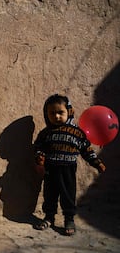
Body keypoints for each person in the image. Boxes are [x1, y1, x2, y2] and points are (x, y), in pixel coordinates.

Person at [33, 94, 106, 236]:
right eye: (52, 113)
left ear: (69, 112)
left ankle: (69, 219)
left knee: (68, 195)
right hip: (50, 170)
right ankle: (49, 217)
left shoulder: (77, 133)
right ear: (46, 114)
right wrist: (39, 156)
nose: (56, 116)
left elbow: (86, 150)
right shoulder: (46, 133)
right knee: (50, 195)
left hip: (68, 170)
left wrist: (97, 163)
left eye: (60, 112)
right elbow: (38, 146)